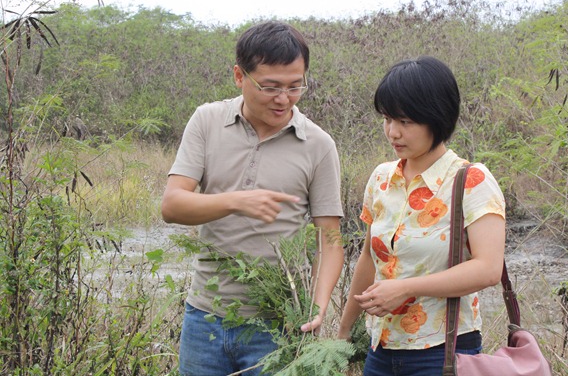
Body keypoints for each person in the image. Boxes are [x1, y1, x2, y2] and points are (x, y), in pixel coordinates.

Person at [161, 21, 344, 376]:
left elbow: (331, 238)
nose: (283, 99)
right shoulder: (207, 121)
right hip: (205, 319)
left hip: (278, 323)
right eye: (270, 87)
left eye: (295, 86)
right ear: (238, 76)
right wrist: (237, 201)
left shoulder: (319, 145)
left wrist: (317, 306)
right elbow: (172, 205)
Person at [337, 56, 506, 376]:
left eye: (405, 122)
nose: (392, 132)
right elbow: (369, 259)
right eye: (387, 119)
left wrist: (407, 288)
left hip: (444, 352)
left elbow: (488, 269)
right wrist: (344, 331)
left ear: (436, 118)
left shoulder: (471, 181)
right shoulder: (381, 179)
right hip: (381, 350)